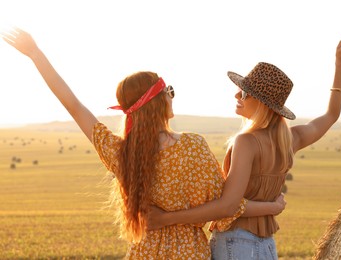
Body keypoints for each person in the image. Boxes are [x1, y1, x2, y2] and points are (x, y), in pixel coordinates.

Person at [1, 27, 287, 259]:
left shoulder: (124, 154)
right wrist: (271, 207)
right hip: (190, 253)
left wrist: (35, 54)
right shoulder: (193, 147)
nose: (173, 96)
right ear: (159, 100)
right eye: (169, 91)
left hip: (144, 252)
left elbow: (73, 106)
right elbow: (227, 206)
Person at [147, 32, 341, 259]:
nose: (236, 94)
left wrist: (165, 218)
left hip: (235, 243)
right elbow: (331, 115)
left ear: (262, 103)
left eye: (244, 92)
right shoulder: (291, 139)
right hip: (267, 246)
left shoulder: (246, 142)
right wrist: (340, 66)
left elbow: (228, 206)